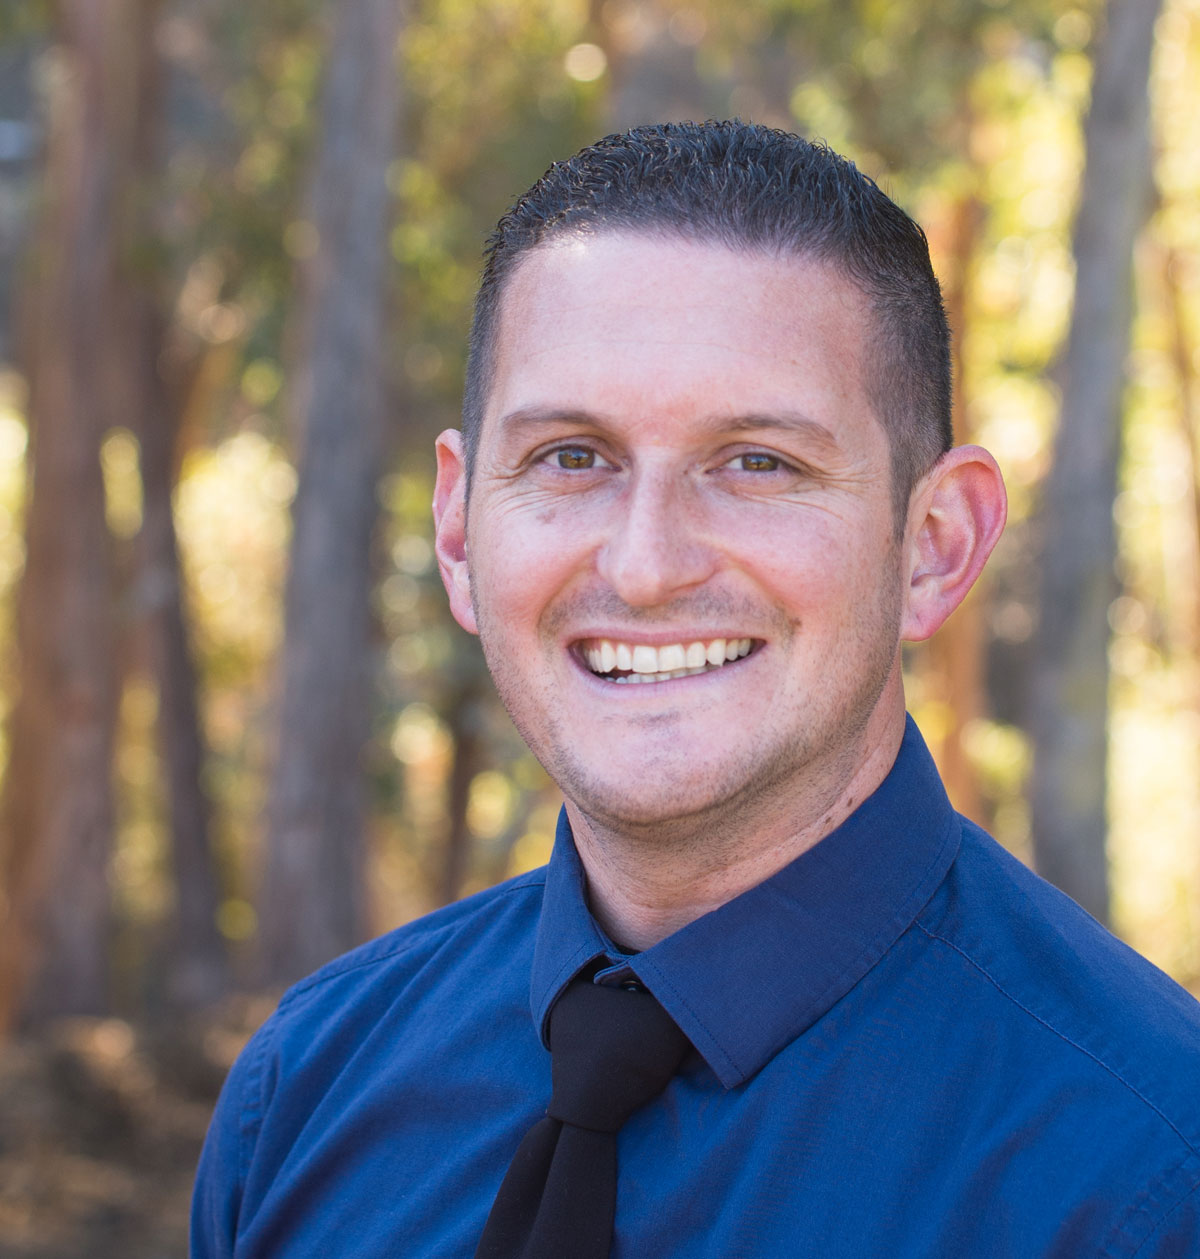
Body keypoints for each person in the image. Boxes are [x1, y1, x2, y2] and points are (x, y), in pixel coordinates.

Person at [191, 121, 1200, 1258]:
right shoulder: (306, 1096)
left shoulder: (1148, 1178)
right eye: (572, 455)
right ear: (460, 529)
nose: (644, 564)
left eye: (757, 463)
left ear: (932, 543)